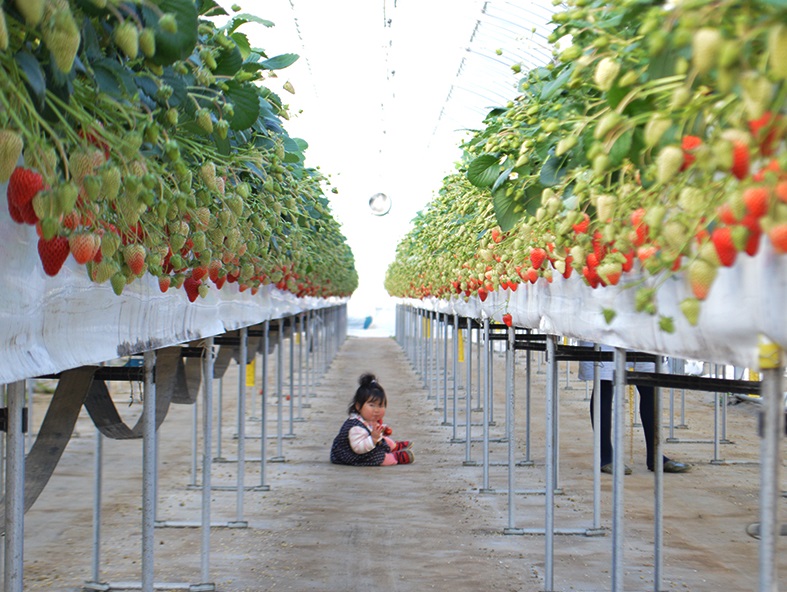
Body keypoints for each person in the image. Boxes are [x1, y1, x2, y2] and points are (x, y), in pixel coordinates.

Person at [578, 343, 691, 475]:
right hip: (605, 334)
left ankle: (655, 455)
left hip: (640, 333)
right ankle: (605, 456)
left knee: (649, 385)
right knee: (604, 383)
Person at [330, 373, 414, 466]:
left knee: (383, 439)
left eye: (380, 406)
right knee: (380, 457)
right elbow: (358, 448)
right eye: (372, 405)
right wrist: (373, 438)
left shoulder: (367, 419)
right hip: (352, 455)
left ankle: (394, 446)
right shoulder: (356, 428)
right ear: (358, 406)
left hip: (368, 445)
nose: (376, 410)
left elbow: (372, 431)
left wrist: (382, 429)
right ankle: (395, 457)